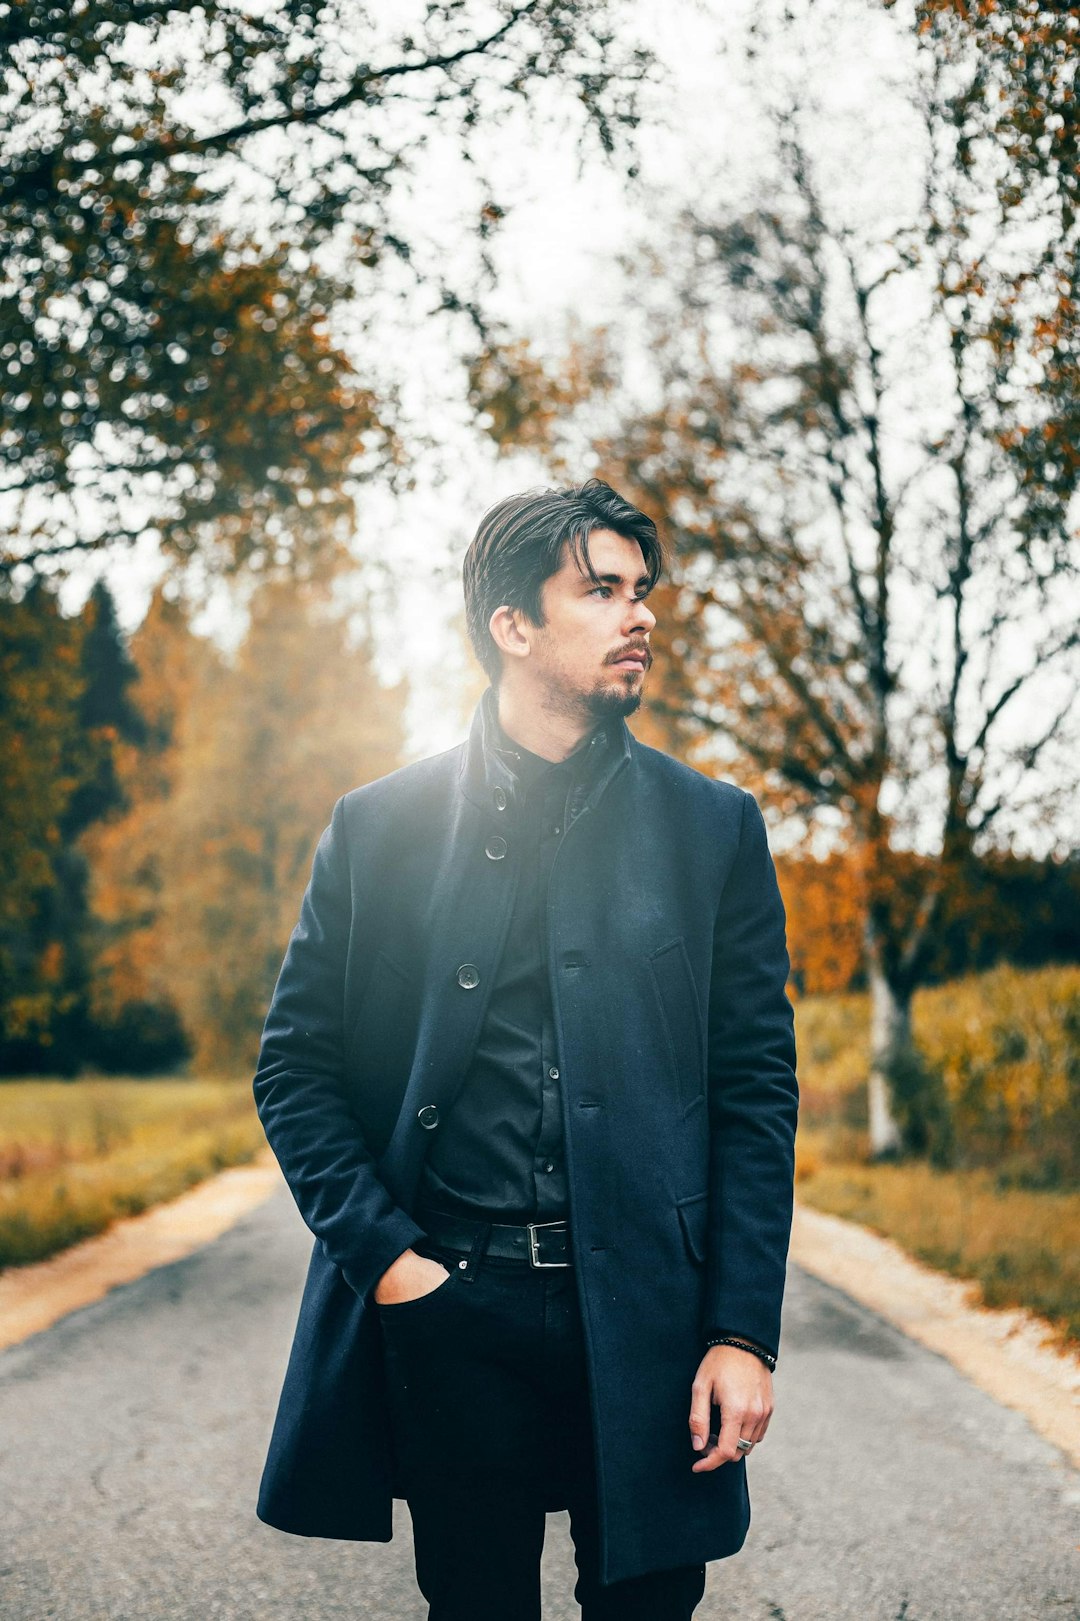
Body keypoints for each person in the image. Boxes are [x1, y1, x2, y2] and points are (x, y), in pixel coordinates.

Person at [252, 478, 799, 1620]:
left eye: (642, 590)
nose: (638, 614)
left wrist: (742, 1330)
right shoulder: (379, 827)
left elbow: (755, 1094)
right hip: (459, 1310)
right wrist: (396, 1267)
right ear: (512, 625)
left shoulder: (715, 827)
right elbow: (293, 1071)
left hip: (651, 1315)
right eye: (599, 590)